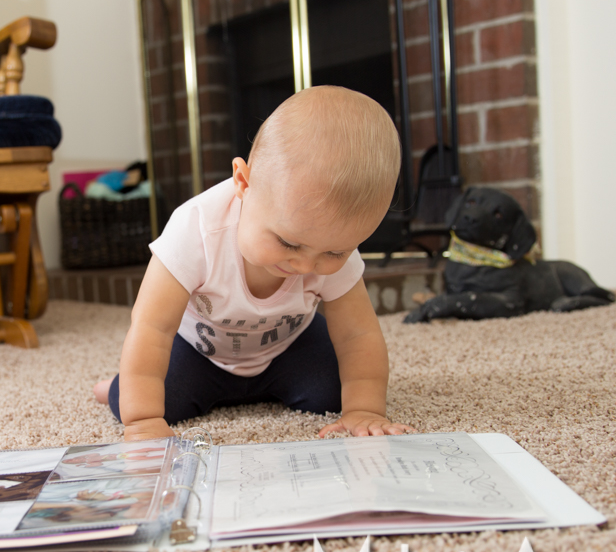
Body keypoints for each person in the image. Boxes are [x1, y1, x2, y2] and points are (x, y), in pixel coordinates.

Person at [93, 86, 416, 441]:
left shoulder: (325, 238)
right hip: (199, 353)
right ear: (243, 182)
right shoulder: (196, 229)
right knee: (147, 396)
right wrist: (142, 419)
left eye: (334, 254)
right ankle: (113, 386)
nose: (306, 265)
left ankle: (279, 388)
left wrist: (364, 410)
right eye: (288, 242)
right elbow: (151, 327)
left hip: (288, 348)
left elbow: (359, 334)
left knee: (337, 388)